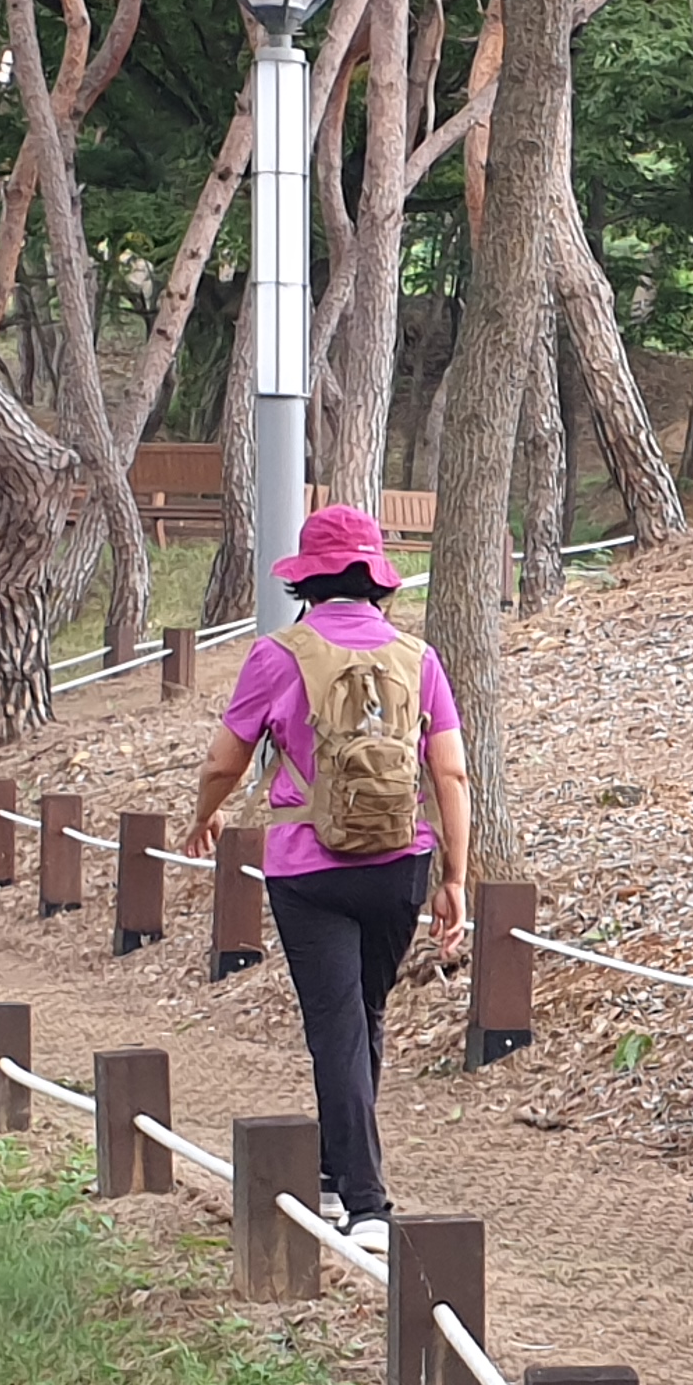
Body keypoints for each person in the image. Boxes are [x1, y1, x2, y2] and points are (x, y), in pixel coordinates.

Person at [179, 506, 471, 1257]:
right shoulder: (418, 657)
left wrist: (205, 816)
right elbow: (450, 774)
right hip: (400, 862)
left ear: (306, 582)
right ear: (377, 580)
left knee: (338, 1024)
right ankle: (338, 1171)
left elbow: (223, 760)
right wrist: (456, 877)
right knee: (362, 1015)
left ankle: (366, 1203)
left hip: (309, 869)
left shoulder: (277, 656)